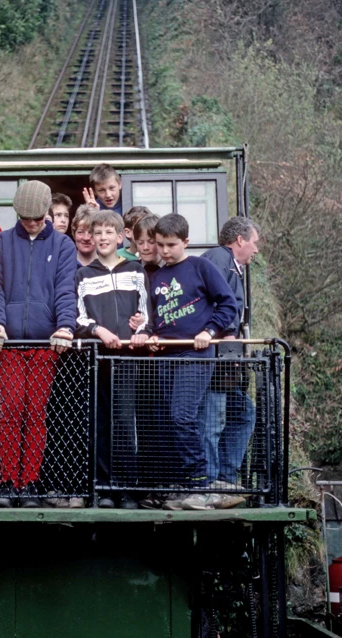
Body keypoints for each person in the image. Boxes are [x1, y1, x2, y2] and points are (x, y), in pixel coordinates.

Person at [0, 181, 77, 508]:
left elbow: (66, 289)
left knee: (35, 412)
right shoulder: (1, 242)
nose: (33, 223)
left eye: (38, 217)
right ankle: (10, 481)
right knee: (9, 410)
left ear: (47, 213)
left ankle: (31, 481)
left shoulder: (64, 245)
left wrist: (66, 325)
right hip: (7, 344)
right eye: (27, 217)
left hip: (44, 345)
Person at [147, 214, 242, 511]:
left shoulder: (202, 267)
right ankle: (180, 484)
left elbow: (228, 303)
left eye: (171, 245)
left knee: (183, 416)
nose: (165, 251)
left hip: (195, 354)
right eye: (160, 244)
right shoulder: (156, 276)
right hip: (166, 355)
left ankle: (201, 483)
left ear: (185, 242)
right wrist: (149, 333)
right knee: (165, 420)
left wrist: (209, 331)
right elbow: (152, 314)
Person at [75, 210, 151, 509]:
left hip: (128, 360)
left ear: (120, 237)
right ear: (91, 238)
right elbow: (77, 316)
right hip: (97, 360)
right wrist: (99, 330)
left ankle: (128, 489)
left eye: (109, 233)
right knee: (100, 422)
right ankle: (105, 488)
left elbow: (147, 312)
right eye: (98, 233)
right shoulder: (83, 274)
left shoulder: (135, 270)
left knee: (125, 422)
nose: (103, 238)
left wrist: (142, 328)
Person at [199, 217, 260, 490]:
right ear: (240, 240)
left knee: (243, 412)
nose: (256, 250)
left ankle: (225, 475)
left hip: (225, 356)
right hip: (214, 356)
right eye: (254, 243)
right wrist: (224, 334)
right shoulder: (218, 259)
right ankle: (212, 480)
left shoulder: (228, 264)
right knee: (214, 417)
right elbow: (211, 302)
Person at [133, 213, 163, 281]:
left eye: (151, 242)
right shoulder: (132, 270)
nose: (145, 247)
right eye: (140, 243)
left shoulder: (172, 268)